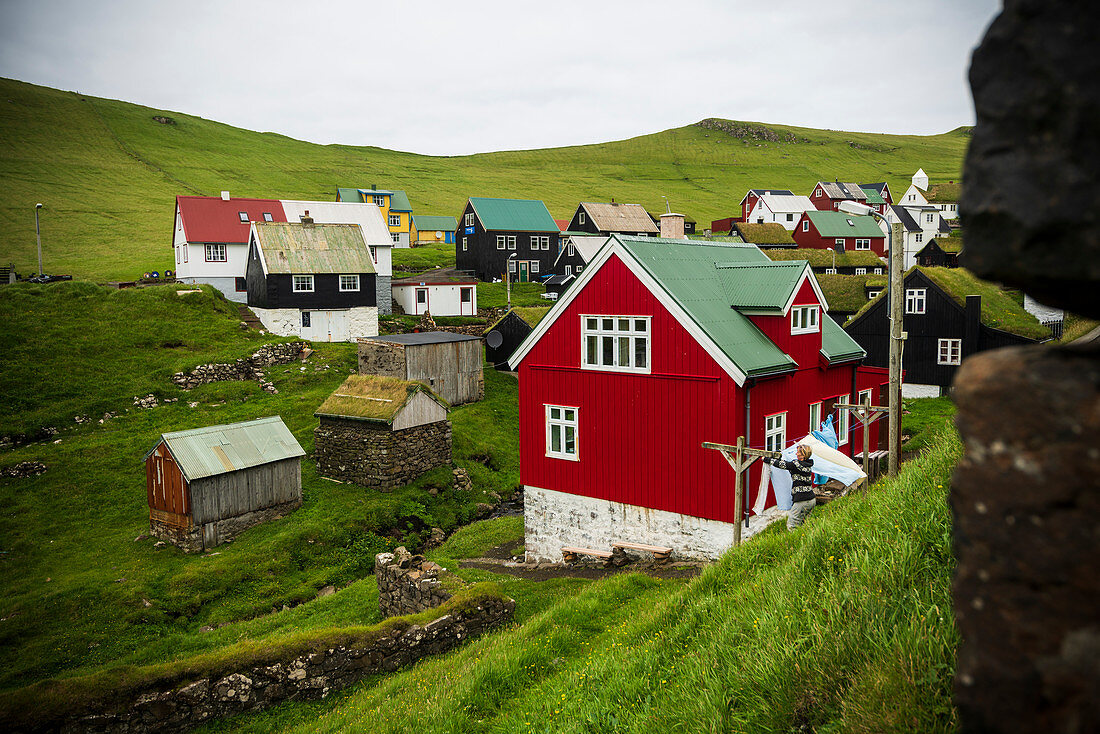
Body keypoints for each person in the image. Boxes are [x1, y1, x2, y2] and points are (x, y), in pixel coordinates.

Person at [763, 444, 816, 530]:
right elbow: (788, 464)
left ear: (803, 455)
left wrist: (767, 459)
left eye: (798, 452)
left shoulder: (797, 464)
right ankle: (806, 540)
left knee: (792, 524)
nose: (796, 454)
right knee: (804, 523)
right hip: (811, 499)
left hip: (802, 500)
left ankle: (795, 542)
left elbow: (783, 465)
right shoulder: (808, 465)